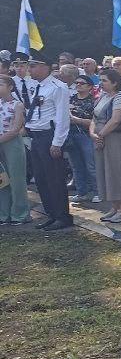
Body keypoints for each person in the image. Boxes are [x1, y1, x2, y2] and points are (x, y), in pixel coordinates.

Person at [23, 51, 73, 231]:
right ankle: (51, 214)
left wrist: (57, 142)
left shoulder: (57, 87)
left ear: (45, 67)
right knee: (41, 179)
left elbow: (62, 117)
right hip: (36, 137)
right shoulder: (36, 86)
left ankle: (62, 216)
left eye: (33, 66)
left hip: (49, 137)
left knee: (55, 178)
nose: (29, 70)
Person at [90, 69, 121, 223]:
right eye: (100, 80)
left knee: (117, 171)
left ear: (114, 83)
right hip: (100, 138)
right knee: (105, 172)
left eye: (104, 80)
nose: (101, 83)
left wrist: (100, 135)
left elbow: (115, 120)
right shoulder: (102, 97)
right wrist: (93, 134)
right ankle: (114, 207)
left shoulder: (119, 98)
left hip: (114, 138)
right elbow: (94, 118)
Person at [0, 75, 29, 224]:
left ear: (10, 87)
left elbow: (16, 128)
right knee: (2, 180)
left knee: (17, 178)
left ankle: (20, 213)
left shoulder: (17, 104)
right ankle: (3, 213)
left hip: (12, 143)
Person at [67, 75, 99, 203]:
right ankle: (82, 192)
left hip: (86, 136)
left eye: (82, 83)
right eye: (77, 83)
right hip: (71, 134)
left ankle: (97, 192)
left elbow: (95, 122)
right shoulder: (71, 99)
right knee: (76, 165)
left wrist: (77, 120)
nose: (78, 85)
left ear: (90, 86)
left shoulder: (94, 101)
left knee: (91, 165)